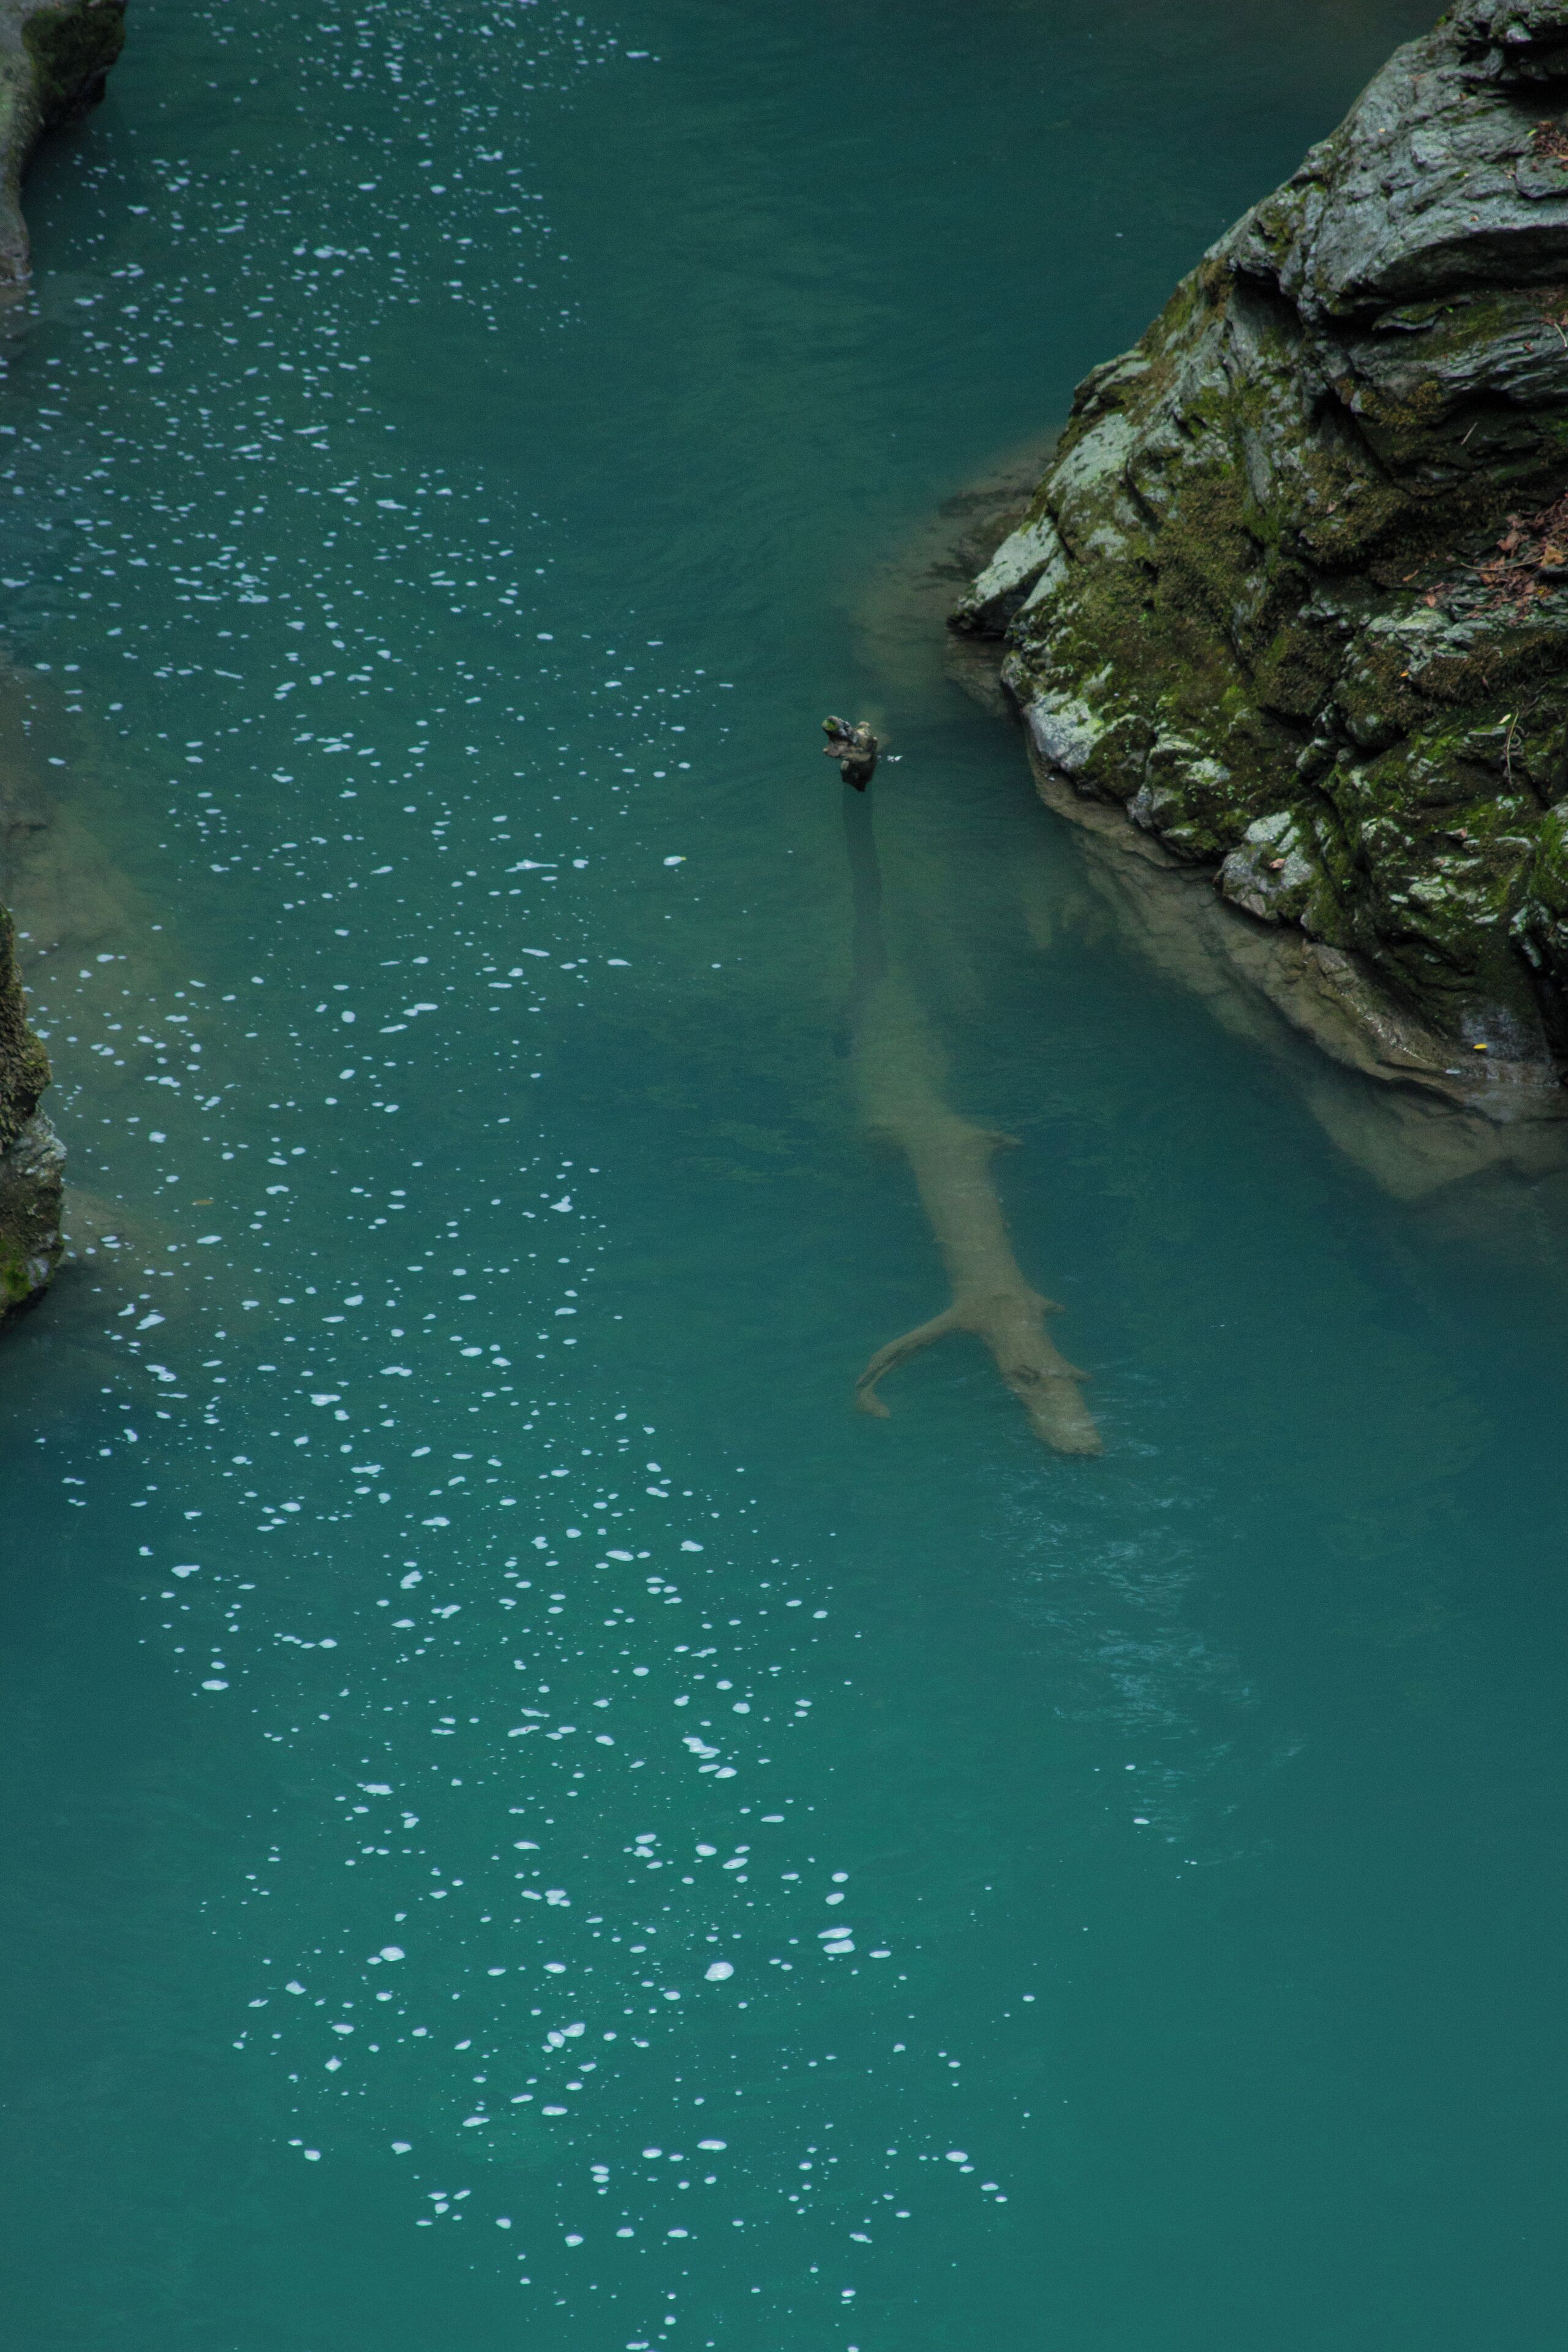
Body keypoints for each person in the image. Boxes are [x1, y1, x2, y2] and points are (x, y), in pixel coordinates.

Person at [822, 714, 879, 790]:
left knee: (858, 781)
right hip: (865, 758)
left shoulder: (844, 748)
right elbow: (865, 726)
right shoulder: (861, 734)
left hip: (864, 765)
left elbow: (829, 752)